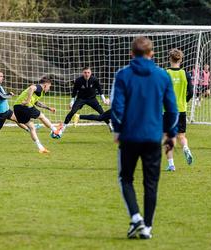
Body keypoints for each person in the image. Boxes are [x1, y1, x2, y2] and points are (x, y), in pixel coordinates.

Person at [111, 37, 178, 239]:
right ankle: (146, 227)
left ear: (132, 54)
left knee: (126, 178)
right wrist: (170, 134)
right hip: (152, 137)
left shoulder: (122, 75)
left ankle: (136, 217)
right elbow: (172, 109)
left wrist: (118, 130)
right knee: (151, 183)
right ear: (152, 54)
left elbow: (117, 106)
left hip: (129, 136)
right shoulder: (162, 76)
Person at [57, 67, 111, 135]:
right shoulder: (78, 80)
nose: (87, 74)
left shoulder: (94, 79)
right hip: (81, 99)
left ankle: (110, 126)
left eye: (88, 72)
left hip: (92, 99)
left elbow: (99, 90)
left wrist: (103, 99)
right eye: (85, 72)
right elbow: (74, 91)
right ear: (83, 73)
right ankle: (63, 127)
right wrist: (72, 101)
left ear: (90, 73)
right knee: (72, 111)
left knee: (102, 112)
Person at [164, 48, 194, 171]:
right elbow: (191, 92)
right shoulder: (185, 74)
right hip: (181, 109)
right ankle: (186, 148)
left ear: (169, 59)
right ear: (181, 59)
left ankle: (171, 164)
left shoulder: (165, 73)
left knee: (168, 137)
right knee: (181, 136)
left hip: (168, 110)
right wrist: (184, 101)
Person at [13, 77, 58, 153]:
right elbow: (31, 87)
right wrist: (27, 101)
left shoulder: (40, 92)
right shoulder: (39, 87)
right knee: (42, 116)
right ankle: (55, 130)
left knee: (32, 127)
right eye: (49, 86)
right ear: (45, 85)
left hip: (17, 108)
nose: (49, 89)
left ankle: (41, 148)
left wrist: (49, 108)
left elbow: (37, 103)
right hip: (24, 106)